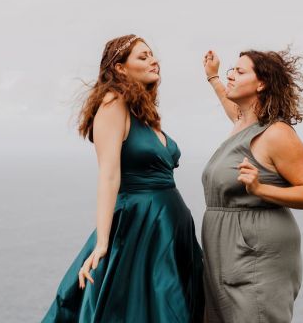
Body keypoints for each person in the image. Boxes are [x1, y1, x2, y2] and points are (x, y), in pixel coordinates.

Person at [41, 34, 204, 323]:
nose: (154, 60)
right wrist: (103, 243)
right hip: (141, 227)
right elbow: (109, 175)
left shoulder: (144, 114)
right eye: (143, 56)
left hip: (170, 229)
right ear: (120, 68)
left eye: (153, 55)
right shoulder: (112, 102)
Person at [200, 48, 303, 323]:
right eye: (231, 70)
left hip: (255, 253)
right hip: (225, 251)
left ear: (262, 83)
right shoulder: (242, 122)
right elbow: (233, 108)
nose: (231, 75)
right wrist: (214, 77)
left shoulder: (277, 134)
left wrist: (260, 188)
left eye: (239, 71)